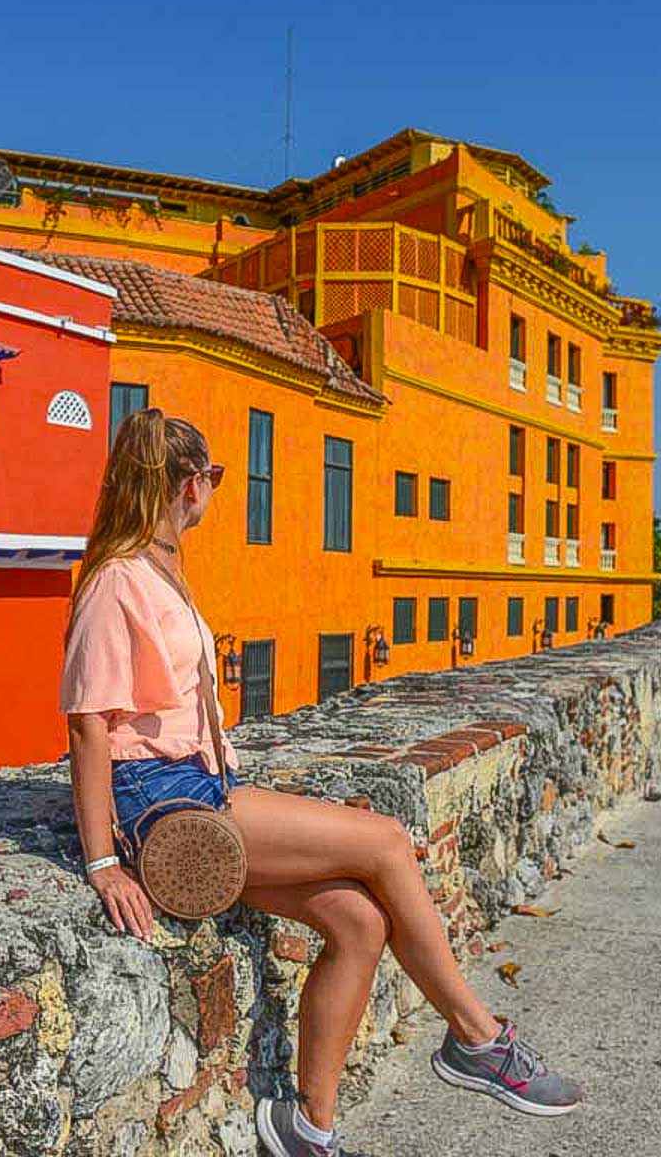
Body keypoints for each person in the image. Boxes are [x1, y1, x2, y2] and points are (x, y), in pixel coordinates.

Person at [61, 408, 581, 1157]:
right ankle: (477, 1037)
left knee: (360, 922)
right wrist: (103, 860)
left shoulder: (161, 568)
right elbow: (87, 723)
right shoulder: (116, 581)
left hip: (200, 782)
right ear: (185, 485)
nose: (215, 490)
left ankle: (309, 1128)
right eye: (212, 478)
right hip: (161, 798)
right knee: (387, 841)